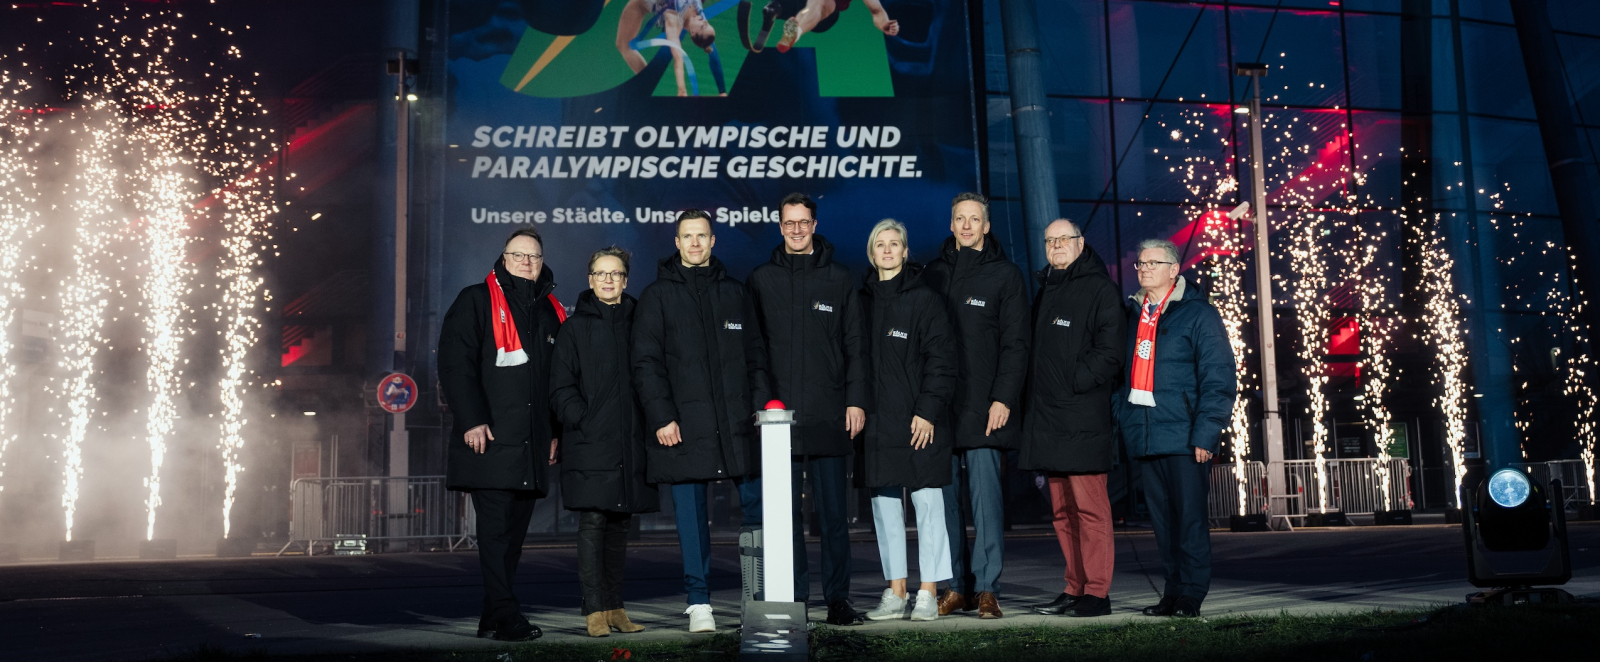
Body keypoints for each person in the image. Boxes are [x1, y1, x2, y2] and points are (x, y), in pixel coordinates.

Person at [632, 209, 772, 633]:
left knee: (756, 512)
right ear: (676, 243)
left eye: (702, 235)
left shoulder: (735, 292)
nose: (694, 243)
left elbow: (755, 358)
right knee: (691, 518)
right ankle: (699, 603)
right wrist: (662, 416)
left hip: (738, 425)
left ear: (714, 241)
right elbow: (646, 363)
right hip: (682, 428)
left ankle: (757, 598)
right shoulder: (657, 296)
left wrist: (762, 408)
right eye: (687, 236)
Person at [745, 192, 867, 626]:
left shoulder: (838, 277)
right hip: (780, 424)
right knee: (787, 520)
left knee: (834, 517)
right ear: (780, 227)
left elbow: (855, 345)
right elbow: (754, 350)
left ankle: (838, 600)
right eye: (788, 223)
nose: (796, 230)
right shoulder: (762, 280)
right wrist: (763, 409)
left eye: (803, 222)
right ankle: (794, 599)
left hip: (831, 415)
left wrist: (855, 399)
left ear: (814, 225)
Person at [438, 227, 566, 642]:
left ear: (542, 261)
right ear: (504, 258)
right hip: (490, 441)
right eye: (518, 255)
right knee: (494, 536)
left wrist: (554, 431)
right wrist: (473, 420)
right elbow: (455, 365)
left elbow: (555, 379)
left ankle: (491, 615)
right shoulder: (475, 300)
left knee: (512, 540)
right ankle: (508, 617)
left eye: (534, 256)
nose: (526, 262)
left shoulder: (550, 311)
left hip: (531, 446)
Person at [1115, 238, 1236, 618]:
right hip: (1147, 434)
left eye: (1153, 263)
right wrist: (1124, 418)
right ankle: (1171, 592)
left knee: (1190, 520)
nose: (1144, 269)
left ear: (1173, 269)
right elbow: (1122, 377)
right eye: (1140, 264)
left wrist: (1206, 433)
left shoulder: (1199, 314)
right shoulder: (1133, 313)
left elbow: (1218, 377)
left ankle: (1191, 595)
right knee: (1164, 524)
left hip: (1185, 437)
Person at [921, 192, 1029, 619]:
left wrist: (1003, 397)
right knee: (944, 504)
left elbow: (1016, 344)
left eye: (975, 219)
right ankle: (954, 588)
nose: (967, 226)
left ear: (986, 226)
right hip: (942, 413)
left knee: (986, 504)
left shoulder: (1005, 276)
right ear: (951, 225)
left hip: (986, 408)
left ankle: (987, 588)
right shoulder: (931, 275)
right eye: (960, 219)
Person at [550, 247, 659, 637]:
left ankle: (615, 608)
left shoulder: (641, 322)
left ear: (626, 280)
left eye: (615, 274)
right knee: (593, 524)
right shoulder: (574, 328)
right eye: (601, 273)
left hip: (630, 443)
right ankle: (594, 610)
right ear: (590, 279)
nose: (608, 280)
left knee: (619, 529)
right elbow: (561, 386)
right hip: (590, 441)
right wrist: (585, 420)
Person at [1020, 220, 1126, 618]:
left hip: (1081, 418)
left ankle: (1097, 593)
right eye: (1050, 240)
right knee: (1062, 513)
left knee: (1091, 511)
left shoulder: (1099, 288)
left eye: (1064, 239)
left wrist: (1074, 381)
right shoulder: (1048, 287)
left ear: (1081, 243)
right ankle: (1074, 587)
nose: (1057, 246)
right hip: (1049, 421)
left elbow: (1111, 351)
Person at [856, 219, 957, 623]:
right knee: (884, 510)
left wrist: (928, 411)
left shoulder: (925, 300)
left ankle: (929, 592)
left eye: (894, 243)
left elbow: (942, 361)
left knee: (928, 506)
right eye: (880, 243)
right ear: (872, 251)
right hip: (878, 423)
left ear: (904, 251)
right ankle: (896, 591)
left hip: (920, 421)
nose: (886, 250)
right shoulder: (861, 300)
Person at [773, 0, 899, 53]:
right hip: (800, 5)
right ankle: (792, 30)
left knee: (823, 2)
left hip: (825, 19)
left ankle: (795, 32)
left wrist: (884, 24)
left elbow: (877, 11)